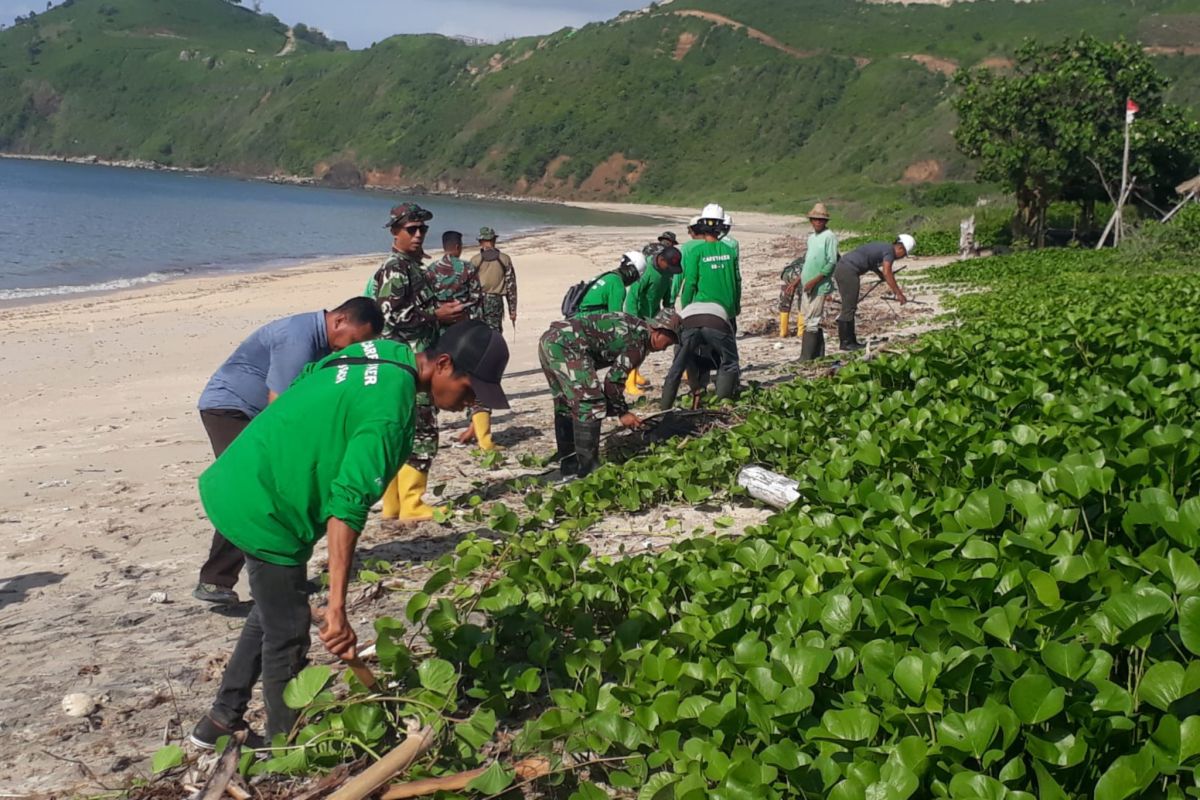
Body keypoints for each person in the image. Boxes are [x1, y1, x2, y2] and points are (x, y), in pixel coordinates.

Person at [188, 321, 510, 750]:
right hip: (266, 507)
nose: (469, 404)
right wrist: (337, 606)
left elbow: (307, 380)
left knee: (273, 609)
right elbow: (347, 507)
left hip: (241, 473)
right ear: (443, 364)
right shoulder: (391, 414)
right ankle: (286, 750)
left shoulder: (384, 352)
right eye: (470, 390)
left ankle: (220, 720)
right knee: (288, 634)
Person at [193, 298, 383, 605]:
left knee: (272, 492)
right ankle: (215, 580)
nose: (350, 348)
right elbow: (279, 403)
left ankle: (278, 579)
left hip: (252, 415)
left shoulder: (324, 341)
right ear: (340, 321)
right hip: (229, 409)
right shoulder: (297, 338)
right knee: (250, 492)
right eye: (354, 340)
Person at [369, 203, 467, 522]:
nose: (418, 234)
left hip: (409, 360)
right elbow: (389, 316)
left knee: (400, 431)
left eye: (422, 229)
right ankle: (411, 502)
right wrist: (435, 314)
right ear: (395, 231)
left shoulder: (413, 266)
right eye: (411, 229)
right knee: (421, 430)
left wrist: (444, 317)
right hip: (406, 363)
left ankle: (395, 503)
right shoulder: (396, 268)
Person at [540, 309, 680, 477]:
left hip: (549, 340)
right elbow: (613, 381)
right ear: (659, 332)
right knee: (591, 403)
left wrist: (616, 409)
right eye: (669, 343)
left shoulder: (635, 326)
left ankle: (569, 464)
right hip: (567, 345)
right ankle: (589, 469)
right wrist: (623, 413)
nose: (665, 349)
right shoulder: (638, 343)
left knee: (565, 403)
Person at [833, 234, 914, 351]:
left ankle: (851, 341)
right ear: (901, 248)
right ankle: (846, 343)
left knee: (850, 306)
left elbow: (870, 261)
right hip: (849, 271)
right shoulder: (889, 252)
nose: (902, 257)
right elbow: (887, 272)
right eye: (904, 255)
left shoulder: (883, 247)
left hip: (844, 268)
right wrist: (898, 293)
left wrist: (878, 274)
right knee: (849, 308)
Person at [622, 246, 683, 395]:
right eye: (669, 266)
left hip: (652, 315)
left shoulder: (667, 272)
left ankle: (635, 374)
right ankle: (629, 381)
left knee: (647, 348)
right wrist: (633, 320)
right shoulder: (646, 271)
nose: (670, 270)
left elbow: (668, 294)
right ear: (661, 259)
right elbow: (632, 297)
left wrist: (669, 311)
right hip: (638, 315)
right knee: (635, 348)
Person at [661, 299, 739, 408]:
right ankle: (722, 405)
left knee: (677, 368)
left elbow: (686, 360)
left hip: (688, 324)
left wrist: (695, 388)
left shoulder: (689, 308)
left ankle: (664, 409)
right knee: (730, 363)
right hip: (716, 322)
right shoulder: (720, 310)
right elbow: (730, 356)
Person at [791, 203, 839, 360]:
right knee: (807, 318)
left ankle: (806, 356)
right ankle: (818, 355)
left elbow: (831, 262)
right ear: (811, 221)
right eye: (815, 219)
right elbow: (807, 262)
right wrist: (798, 280)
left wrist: (815, 281)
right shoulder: (811, 238)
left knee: (812, 320)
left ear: (825, 222)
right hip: (806, 284)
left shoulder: (830, 237)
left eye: (820, 220)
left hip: (819, 285)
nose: (817, 222)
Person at [469, 227, 518, 333]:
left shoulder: (475, 260)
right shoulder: (505, 259)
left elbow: (469, 286)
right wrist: (512, 310)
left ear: (481, 242)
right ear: (494, 241)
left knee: (478, 332)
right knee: (495, 333)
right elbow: (511, 287)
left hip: (478, 301)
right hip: (496, 301)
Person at [575, 252, 645, 315]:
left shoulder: (606, 276)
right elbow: (616, 317)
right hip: (588, 320)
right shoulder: (617, 284)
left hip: (578, 316)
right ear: (632, 273)